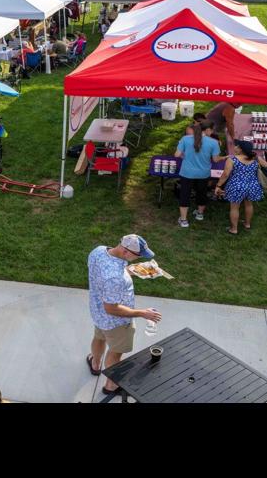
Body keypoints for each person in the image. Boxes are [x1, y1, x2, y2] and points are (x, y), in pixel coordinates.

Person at [87, 234, 163, 400]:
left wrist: (133, 270)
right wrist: (143, 313)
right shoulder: (115, 278)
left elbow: (108, 274)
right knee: (115, 353)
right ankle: (110, 385)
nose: (139, 258)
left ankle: (95, 364)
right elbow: (112, 308)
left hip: (97, 313)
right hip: (117, 323)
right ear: (126, 251)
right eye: (138, 256)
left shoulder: (98, 251)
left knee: (99, 338)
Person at [216, 139, 267, 235]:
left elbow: (226, 174)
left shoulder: (232, 159)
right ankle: (247, 224)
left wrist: (218, 185)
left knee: (234, 208)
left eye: (236, 146)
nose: (234, 147)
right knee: (249, 205)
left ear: (240, 149)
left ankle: (234, 229)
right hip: (252, 185)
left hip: (237, 185)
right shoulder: (256, 158)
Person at [172, 121, 219, 228]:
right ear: (206, 130)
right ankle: (200, 214)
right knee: (202, 193)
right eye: (211, 130)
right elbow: (216, 160)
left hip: (187, 172)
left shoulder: (185, 139)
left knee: (185, 194)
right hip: (203, 173)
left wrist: (185, 155)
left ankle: (184, 220)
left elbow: (177, 154)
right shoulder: (213, 142)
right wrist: (223, 157)